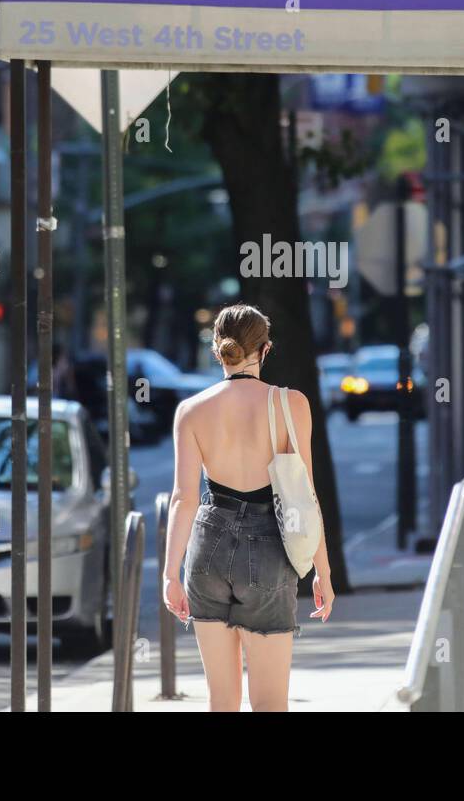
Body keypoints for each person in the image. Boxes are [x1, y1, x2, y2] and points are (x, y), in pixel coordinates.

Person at [161, 303, 334, 711]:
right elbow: (305, 498)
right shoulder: (291, 404)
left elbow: (183, 498)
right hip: (270, 549)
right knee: (270, 702)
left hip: (207, 551)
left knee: (221, 700)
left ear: (217, 350)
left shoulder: (190, 411)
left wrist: (171, 574)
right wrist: (322, 572)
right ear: (266, 349)